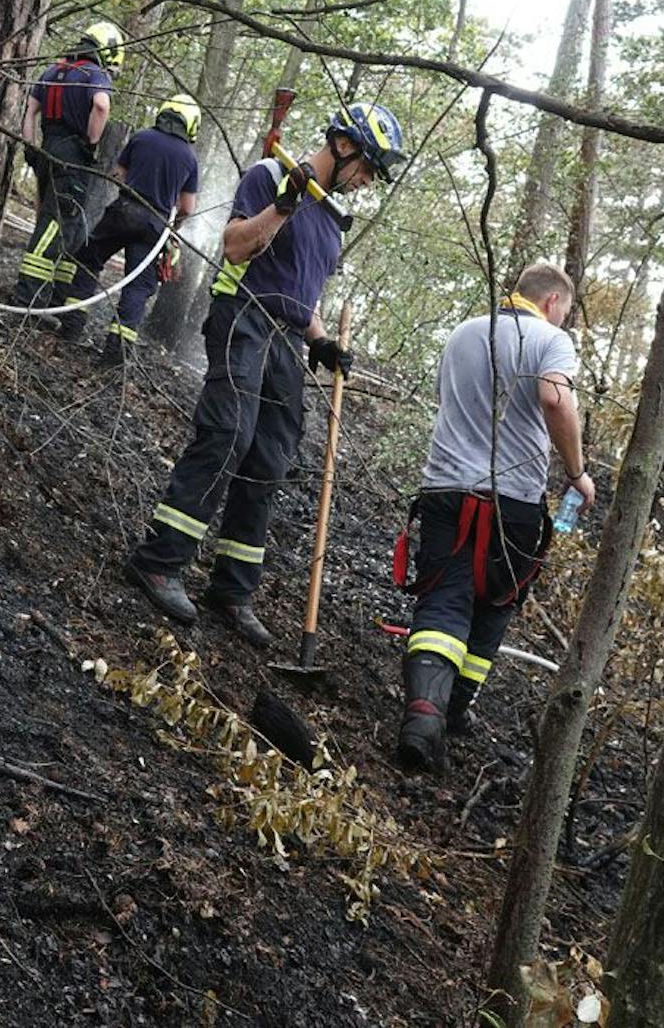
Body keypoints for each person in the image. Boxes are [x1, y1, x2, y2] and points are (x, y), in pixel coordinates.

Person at [125, 104, 408, 645]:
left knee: (271, 455)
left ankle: (231, 589)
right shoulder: (270, 177)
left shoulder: (332, 220)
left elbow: (307, 296)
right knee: (229, 432)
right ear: (345, 146)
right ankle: (158, 560)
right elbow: (235, 247)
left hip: (285, 337)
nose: (368, 181)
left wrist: (321, 341)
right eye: (368, 167)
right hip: (243, 318)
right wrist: (284, 205)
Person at [395, 262, 595, 774]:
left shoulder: (464, 332)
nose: (564, 319)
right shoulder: (550, 339)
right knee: (496, 602)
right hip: (513, 501)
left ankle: (425, 714)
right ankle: (454, 708)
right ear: (553, 302)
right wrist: (576, 471)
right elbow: (554, 397)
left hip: (445, 490)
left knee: (443, 597)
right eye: (565, 311)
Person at [61, 94, 201, 362]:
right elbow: (187, 207)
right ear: (191, 123)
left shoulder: (141, 137)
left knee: (90, 258)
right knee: (138, 286)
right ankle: (116, 353)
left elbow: (119, 175)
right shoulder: (189, 157)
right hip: (155, 224)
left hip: (124, 210)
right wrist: (172, 228)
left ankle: (71, 324)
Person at [13, 21, 124, 309]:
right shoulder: (95, 74)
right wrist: (91, 141)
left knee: (71, 227)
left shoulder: (53, 71)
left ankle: (56, 296)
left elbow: (29, 111)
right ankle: (29, 295)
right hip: (73, 154)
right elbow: (101, 106)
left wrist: (31, 146)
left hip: (48, 147)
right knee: (57, 221)